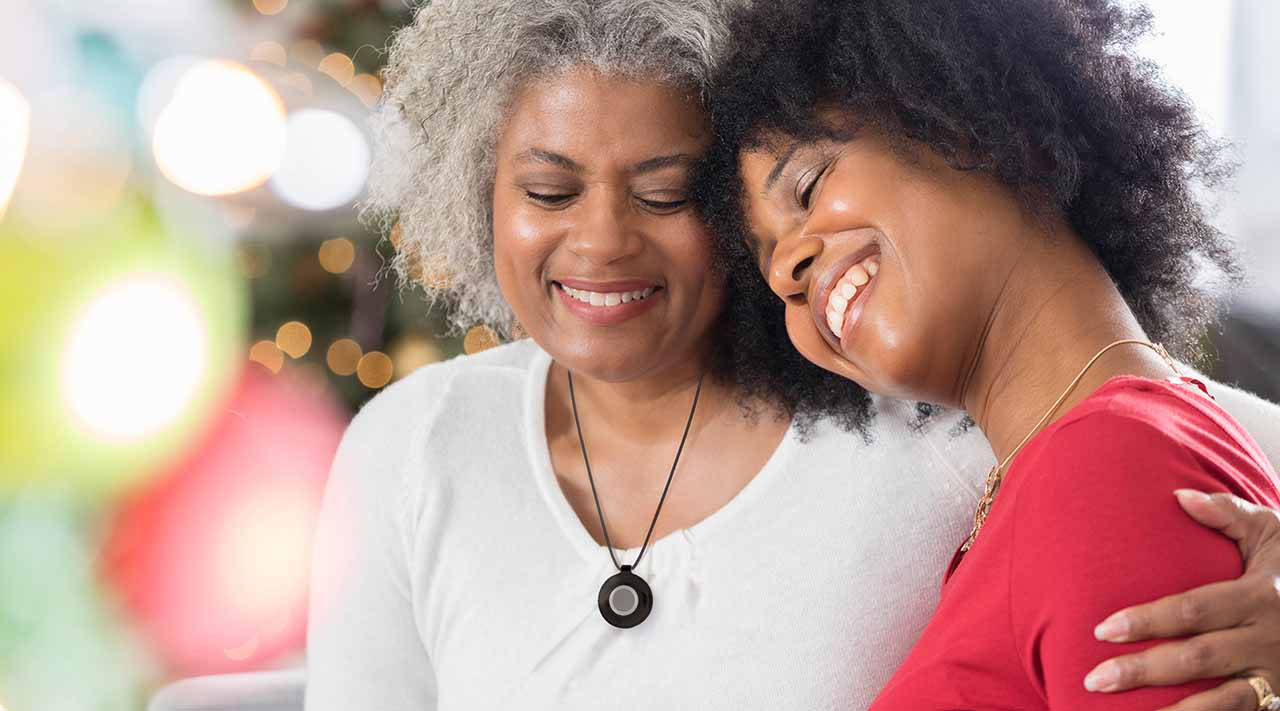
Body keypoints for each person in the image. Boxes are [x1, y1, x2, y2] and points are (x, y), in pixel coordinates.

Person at [304, 1, 1280, 709]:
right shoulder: (416, 443)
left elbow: (1159, 431)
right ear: (478, 199)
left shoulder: (918, 410)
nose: (600, 242)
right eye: (549, 193)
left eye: (665, 193)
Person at [701, 0, 1280, 708]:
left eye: (808, 185)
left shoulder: (1102, 467)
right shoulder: (1080, 464)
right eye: (767, 269)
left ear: (973, 123)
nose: (786, 271)